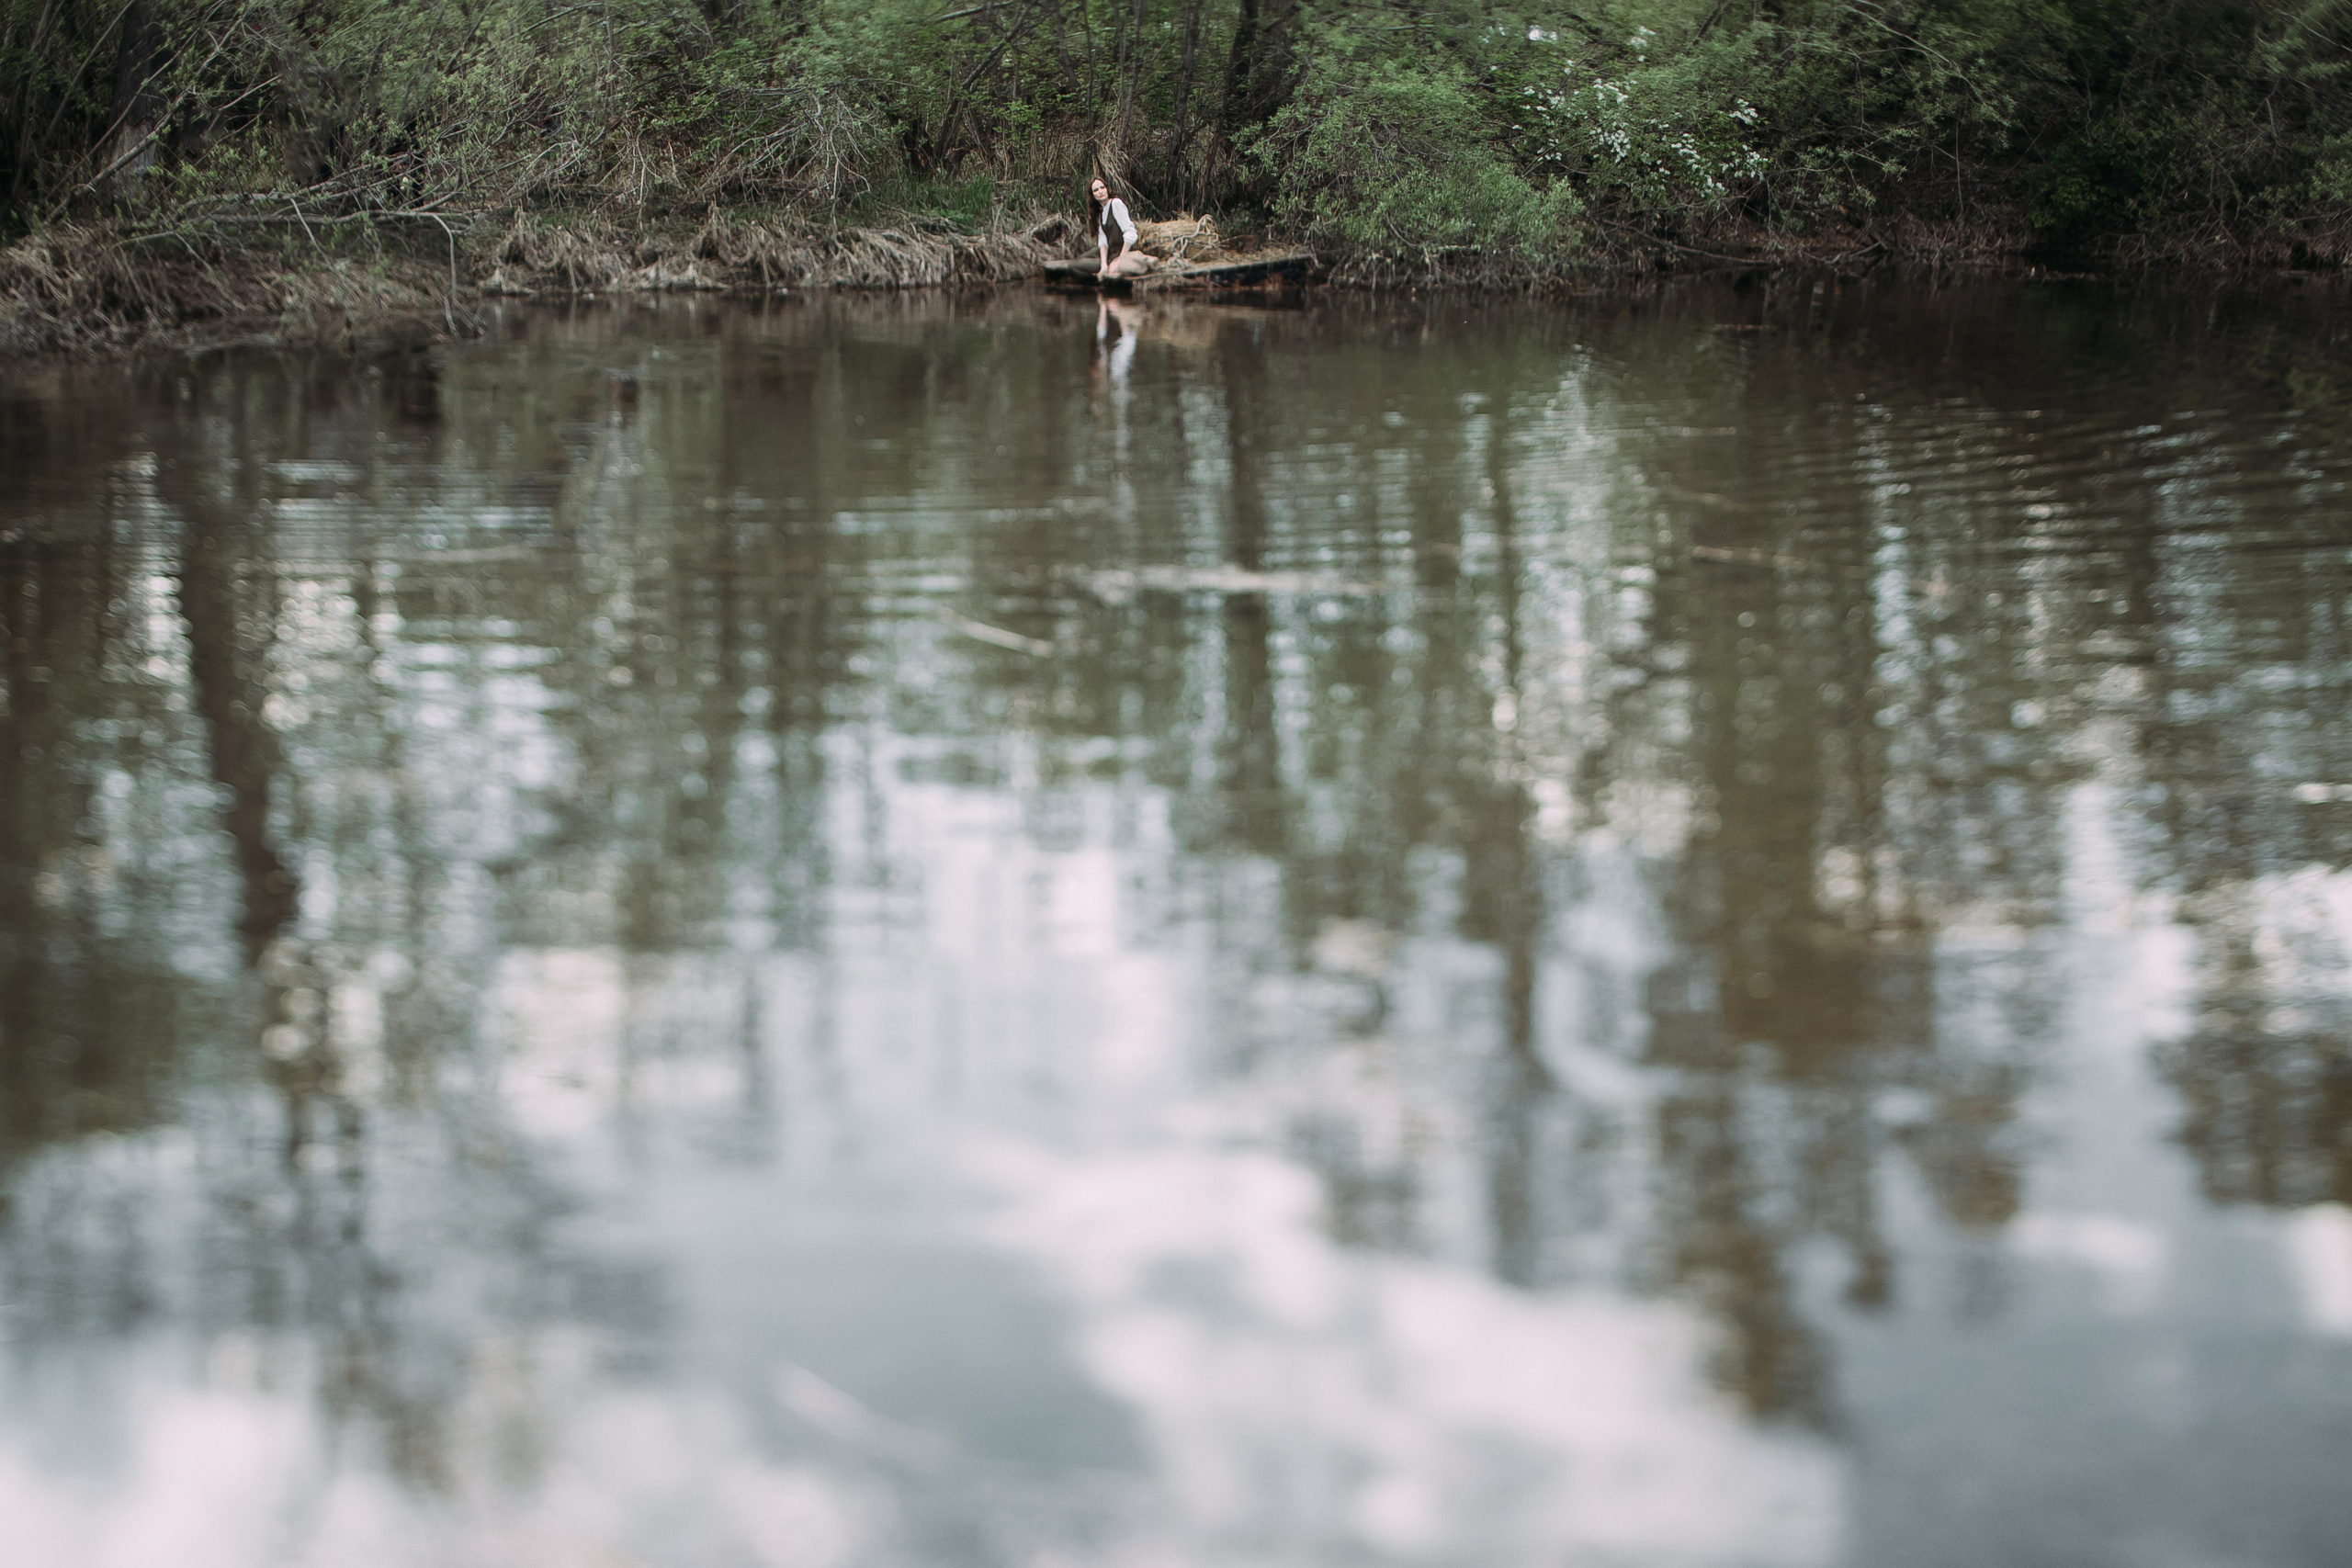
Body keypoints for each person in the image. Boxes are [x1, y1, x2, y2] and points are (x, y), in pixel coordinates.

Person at [1089, 177, 1150, 278]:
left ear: (1107, 189)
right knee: (1081, 261)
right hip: (1110, 256)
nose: (1100, 191)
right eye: (1096, 190)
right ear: (1093, 196)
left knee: (1074, 266)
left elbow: (1130, 233)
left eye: (1102, 188)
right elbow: (1103, 241)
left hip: (1122, 254)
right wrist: (1103, 265)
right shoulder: (1101, 213)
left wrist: (1120, 260)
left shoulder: (1116, 204)